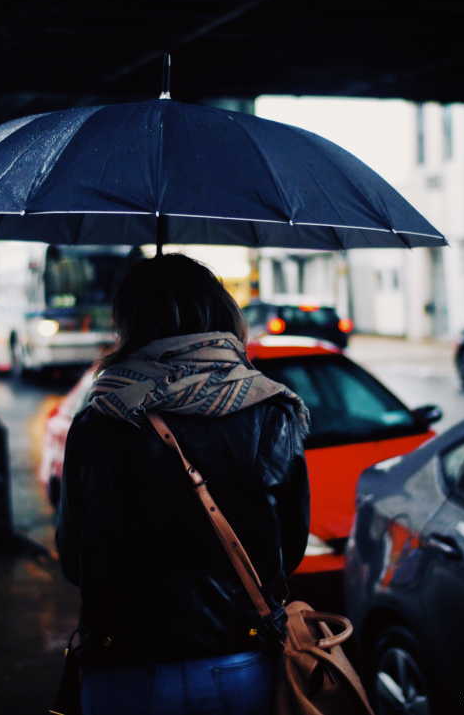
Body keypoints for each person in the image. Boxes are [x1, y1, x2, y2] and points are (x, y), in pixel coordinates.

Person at [56, 254, 310, 715]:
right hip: (237, 658)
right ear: (223, 314)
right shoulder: (271, 410)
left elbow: (75, 559)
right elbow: (287, 550)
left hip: (123, 665)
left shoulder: (99, 420)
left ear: (130, 323)